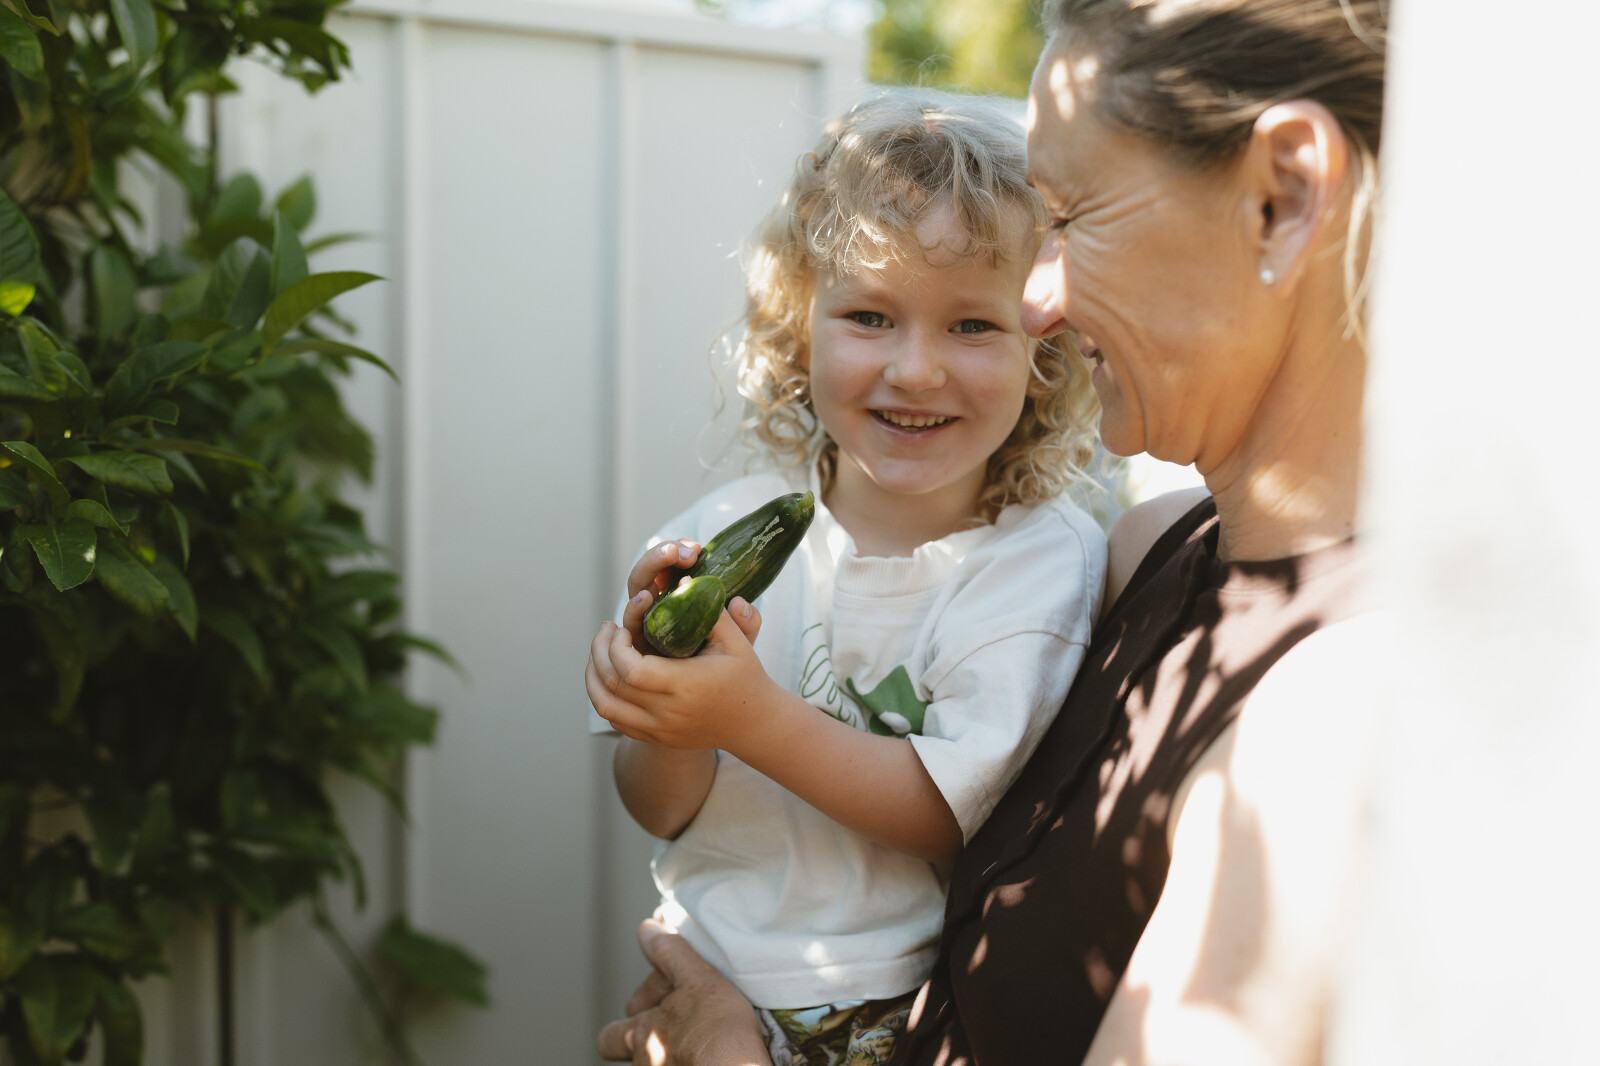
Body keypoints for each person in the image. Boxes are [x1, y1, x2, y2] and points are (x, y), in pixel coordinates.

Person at [594, 0, 1387, 1063]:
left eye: (1075, 215)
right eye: (870, 316)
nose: (1039, 303)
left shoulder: (1333, 701)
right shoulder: (1151, 555)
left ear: (1284, 196)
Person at [585, 88, 1108, 1066]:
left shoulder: (1036, 562)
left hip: (885, 1008)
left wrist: (746, 716)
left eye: (972, 326)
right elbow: (660, 807)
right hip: (697, 982)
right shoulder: (722, 529)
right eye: (870, 315)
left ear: (1043, 350)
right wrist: (663, 704)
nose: (915, 370)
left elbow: (948, 815)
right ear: (801, 326)